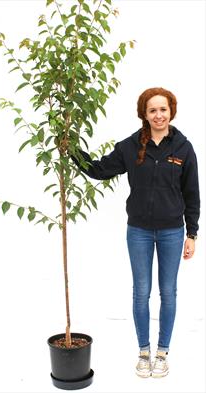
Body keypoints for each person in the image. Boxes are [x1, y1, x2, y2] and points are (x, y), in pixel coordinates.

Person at [72, 87, 200, 378]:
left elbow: (192, 194)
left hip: (171, 231)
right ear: (144, 113)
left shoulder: (183, 147)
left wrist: (191, 233)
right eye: (152, 110)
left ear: (171, 111)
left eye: (163, 109)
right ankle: (144, 352)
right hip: (139, 231)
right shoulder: (130, 146)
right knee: (141, 292)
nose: (158, 115)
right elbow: (99, 169)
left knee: (168, 292)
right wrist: (72, 151)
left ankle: (162, 352)